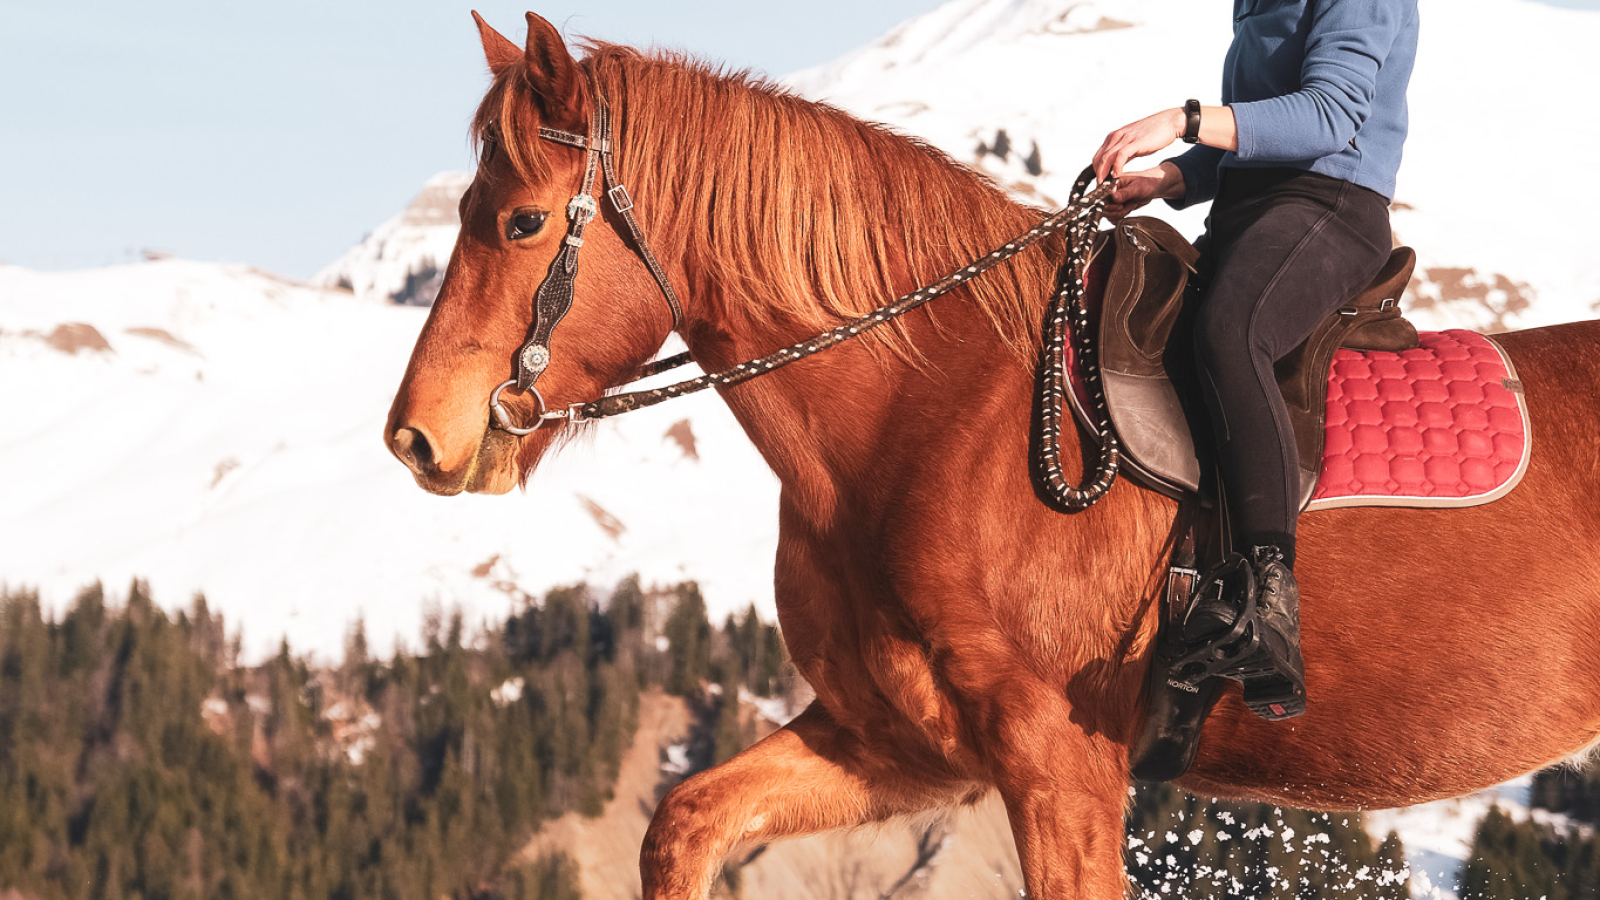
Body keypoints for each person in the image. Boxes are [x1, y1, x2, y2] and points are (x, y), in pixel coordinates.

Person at [1090, 0, 1420, 721]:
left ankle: (1268, 598)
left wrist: (1182, 118)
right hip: (1245, 212)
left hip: (1330, 207)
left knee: (1231, 333)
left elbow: (1328, 117)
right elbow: (1260, 129)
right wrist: (1171, 181)